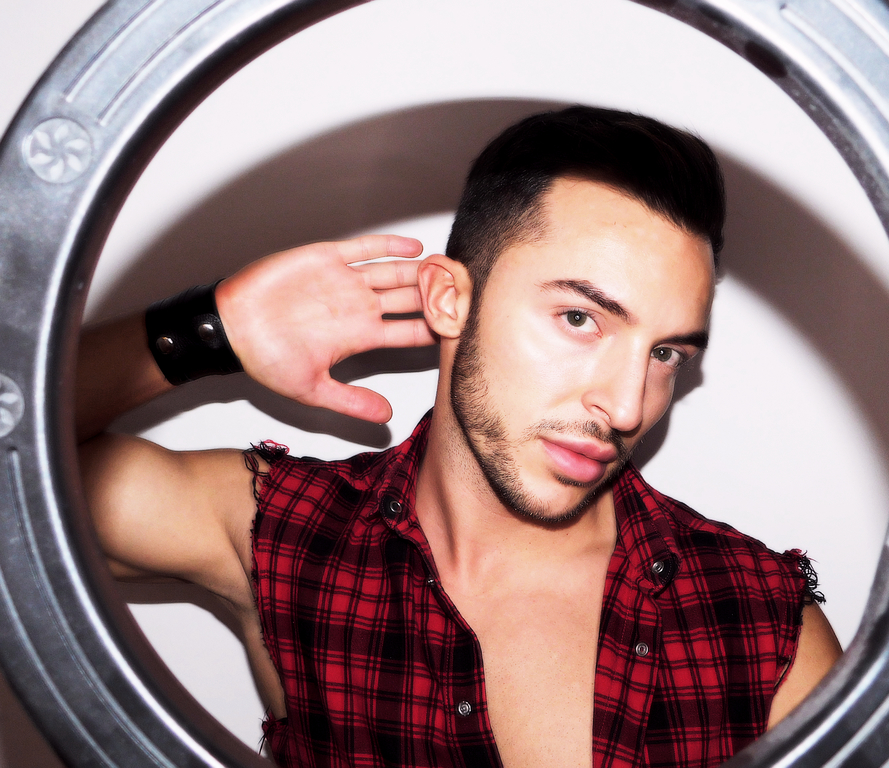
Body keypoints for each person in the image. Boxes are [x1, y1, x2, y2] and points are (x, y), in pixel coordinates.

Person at [77, 106, 842, 768]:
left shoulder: (762, 626)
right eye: (580, 318)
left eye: (666, 353)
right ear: (448, 299)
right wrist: (205, 332)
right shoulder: (291, 535)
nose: (625, 405)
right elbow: (27, 494)